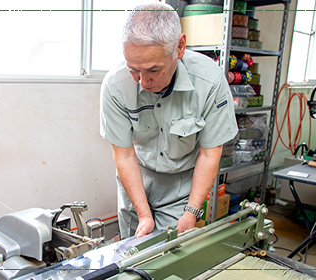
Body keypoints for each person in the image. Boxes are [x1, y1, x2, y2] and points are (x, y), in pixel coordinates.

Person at [99, 2, 238, 239]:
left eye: (153, 70)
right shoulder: (115, 86)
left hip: (180, 188)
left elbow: (209, 154)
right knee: (131, 254)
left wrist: (192, 212)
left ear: (180, 47)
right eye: (134, 69)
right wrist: (143, 213)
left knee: (168, 257)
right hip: (136, 178)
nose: (143, 81)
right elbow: (124, 154)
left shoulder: (209, 82)